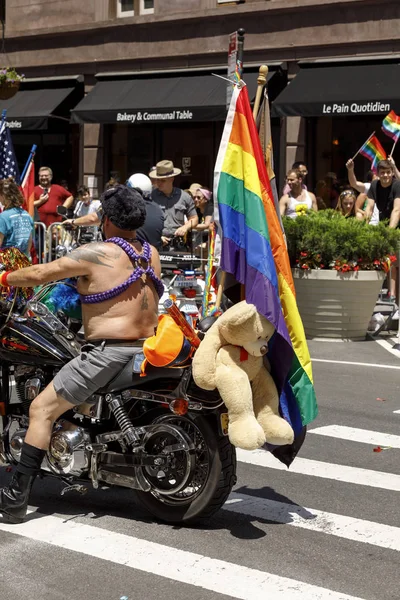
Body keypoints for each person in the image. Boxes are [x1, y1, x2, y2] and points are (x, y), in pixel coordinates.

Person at [0, 185, 163, 524]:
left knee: (41, 408)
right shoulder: (150, 253)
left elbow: (41, 274)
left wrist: (5, 275)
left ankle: (15, 498)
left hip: (109, 353)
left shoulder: (98, 253)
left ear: (106, 219)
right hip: (145, 347)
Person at [64, 175, 165, 249]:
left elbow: (94, 218)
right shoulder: (158, 210)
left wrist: (73, 222)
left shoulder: (125, 206)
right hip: (152, 258)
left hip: (127, 254)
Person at [363, 159, 400, 302]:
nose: (385, 175)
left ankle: (394, 297)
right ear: (378, 174)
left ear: (392, 173)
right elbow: (369, 208)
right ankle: (391, 295)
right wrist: (364, 228)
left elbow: (397, 210)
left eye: (388, 172)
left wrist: (389, 232)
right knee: (388, 261)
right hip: (385, 226)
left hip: (396, 227)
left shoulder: (397, 185)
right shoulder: (374, 185)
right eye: (382, 172)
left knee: (395, 262)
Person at [149, 160, 198, 246]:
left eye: (163, 180)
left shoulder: (184, 196)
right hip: (157, 243)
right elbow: (146, 220)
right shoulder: (151, 197)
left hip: (178, 244)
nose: (159, 183)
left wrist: (185, 227)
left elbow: (194, 219)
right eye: (158, 180)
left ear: (172, 179)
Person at [0, 179, 34, 257]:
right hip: (24, 259)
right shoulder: (26, 215)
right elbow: (29, 242)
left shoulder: (3, 217)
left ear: (3, 196)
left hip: (8, 261)